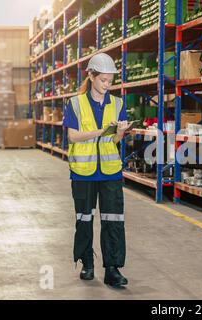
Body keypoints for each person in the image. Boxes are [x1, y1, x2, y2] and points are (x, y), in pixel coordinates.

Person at [63, 53, 130, 289]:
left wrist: (120, 131)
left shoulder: (118, 104)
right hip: (83, 171)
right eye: (103, 79)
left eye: (110, 80)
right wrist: (101, 131)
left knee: (113, 220)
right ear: (91, 76)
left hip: (110, 171)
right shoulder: (75, 104)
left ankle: (112, 269)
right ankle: (87, 263)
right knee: (84, 219)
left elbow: (114, 141)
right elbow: (72, 136)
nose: (107, 84)